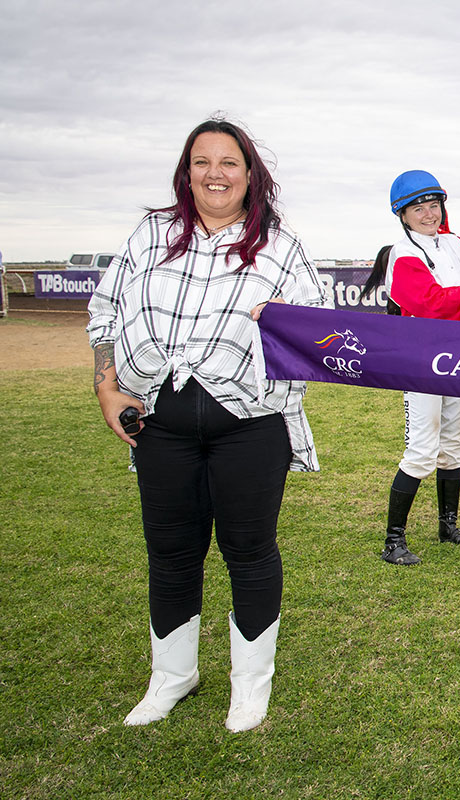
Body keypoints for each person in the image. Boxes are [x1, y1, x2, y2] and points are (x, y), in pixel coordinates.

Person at [87, 119, 332, 732]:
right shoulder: (151, 234)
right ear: (186, 170)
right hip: (162, 426)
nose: (215, 173)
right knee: (170, 554)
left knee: (248, 552)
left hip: (251, 425)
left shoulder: (282, 245)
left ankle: (250, 686)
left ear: (251, 175)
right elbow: (106, 311)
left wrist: (279, 320)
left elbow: (319, 331)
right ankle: (172, 676)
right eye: (202, 161)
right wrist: (107, 386)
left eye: (229, 162)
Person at [362, 170, 460, 566]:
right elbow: (438, 306)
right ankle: (392, 541)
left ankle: (447, 526)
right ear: (402, 213)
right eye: (419, 208)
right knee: (421, 449)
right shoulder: (402, 256)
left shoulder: (452, 244)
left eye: (434, 206)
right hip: (422, 363)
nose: (429, 214)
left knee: (454, 447)